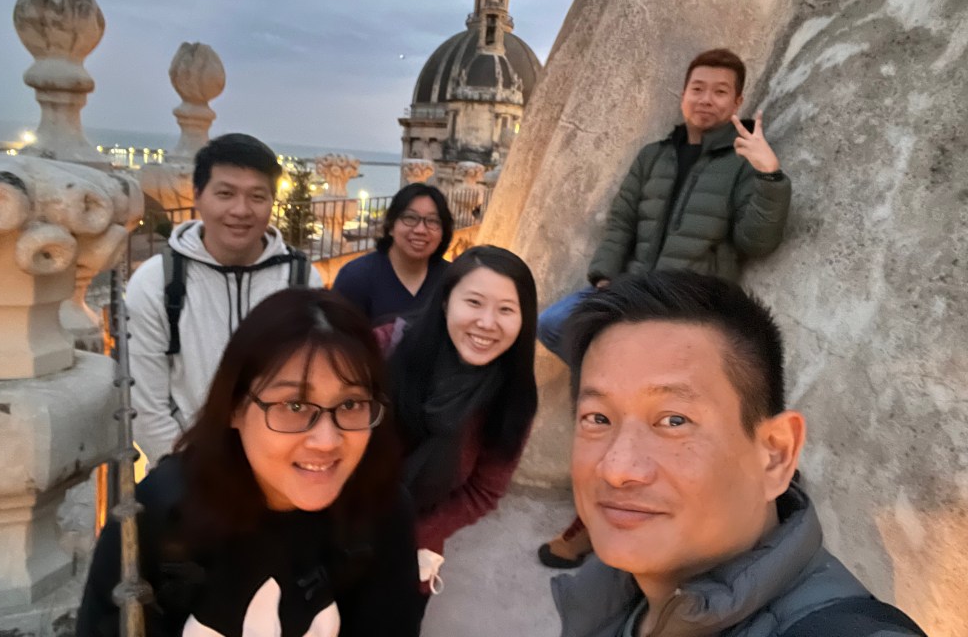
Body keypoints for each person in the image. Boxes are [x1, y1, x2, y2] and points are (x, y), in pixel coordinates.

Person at [552, 272, 927, 637]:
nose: (617, 469)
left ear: (775, 455)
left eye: (674, 421)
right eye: (597, 418)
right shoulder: (607, 593)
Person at [539, 48, 792, 567]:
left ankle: (609, 509)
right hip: (629, 294)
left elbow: (757, 240)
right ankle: (611, 421)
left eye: (720, 92)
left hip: (687, 307)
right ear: (683, 94)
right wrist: (605, 280)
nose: (706, 99)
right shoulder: (653, 156)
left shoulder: (742, 164)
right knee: (552, 323)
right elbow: (621, 221)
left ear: (737, 102)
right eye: (698, 88)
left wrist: (769, 176)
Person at [78, 289, 422, 636]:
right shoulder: (158, 515)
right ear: (234, 407)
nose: (327, 441)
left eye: (350, 405)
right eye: (294, 406)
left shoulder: (382, 512)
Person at [126, 133, 322, 465]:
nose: (241, 210)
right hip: (190, 468)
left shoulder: (301, 280)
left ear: (272, 201)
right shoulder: (158, 282)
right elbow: (146, 407)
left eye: (257, 196)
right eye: (225, 194)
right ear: (198, 196)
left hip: (281, 466)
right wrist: (191, 472)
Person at [377, 245, 538, 599]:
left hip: (410, 549)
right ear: (446, 301)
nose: (487, 323)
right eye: (474, 302)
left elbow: (483, 491)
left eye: (506, 309)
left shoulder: (512, 396)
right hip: (331, 526)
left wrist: (406, 536)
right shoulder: (385, 349)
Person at [332, 182, 454, 324]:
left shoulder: (452, 280)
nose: (420, 230)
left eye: (432, 221)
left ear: (443, 233)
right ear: (391, 226)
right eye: (410, 218)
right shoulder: (356, 278)